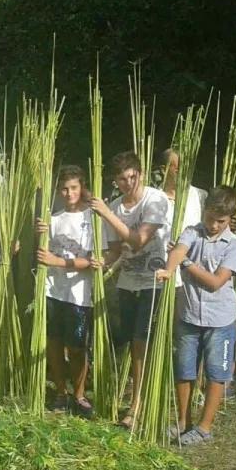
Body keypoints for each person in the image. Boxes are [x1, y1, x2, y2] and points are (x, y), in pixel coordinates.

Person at [156, 187, 236, 446]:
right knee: (184, 370)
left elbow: (216, 282)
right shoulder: (192, 232)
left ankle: (204, 428)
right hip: (189, 314)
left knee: (216, 373)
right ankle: (183, 422)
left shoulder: (235, 245)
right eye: (210, 218)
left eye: (221, 221)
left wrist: (185, 264)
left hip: (221, 319)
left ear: (230, 219)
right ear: (204, 211)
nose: (214, 225)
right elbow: (179, 250)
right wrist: (169, 269)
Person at [90, 151, 170, 428]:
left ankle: (137, 406)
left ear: (141, 174)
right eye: (122, 180)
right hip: (127, 282)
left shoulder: (155, 199)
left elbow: (138, 240)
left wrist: (106, 214)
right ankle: (138, 399)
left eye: (132, 177)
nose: (128, 184)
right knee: (129, 340)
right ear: (116, 181)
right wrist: (102, 261)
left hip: (155, 281)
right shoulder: (114, 205)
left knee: (141, 341)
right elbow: (116, 250)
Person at [35, 166, 102, 415]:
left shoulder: (92, 219)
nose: (69, 193)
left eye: (74, 188)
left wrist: (58, 262)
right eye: (64, 189)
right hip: (53, 290)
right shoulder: (53, 219)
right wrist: (39, 236)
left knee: (76, 346)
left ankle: (79, 394)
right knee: (54, 342)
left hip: (79, 294)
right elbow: (43, 253)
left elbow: (93, 260)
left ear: (82, 188)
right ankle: (61, 392)